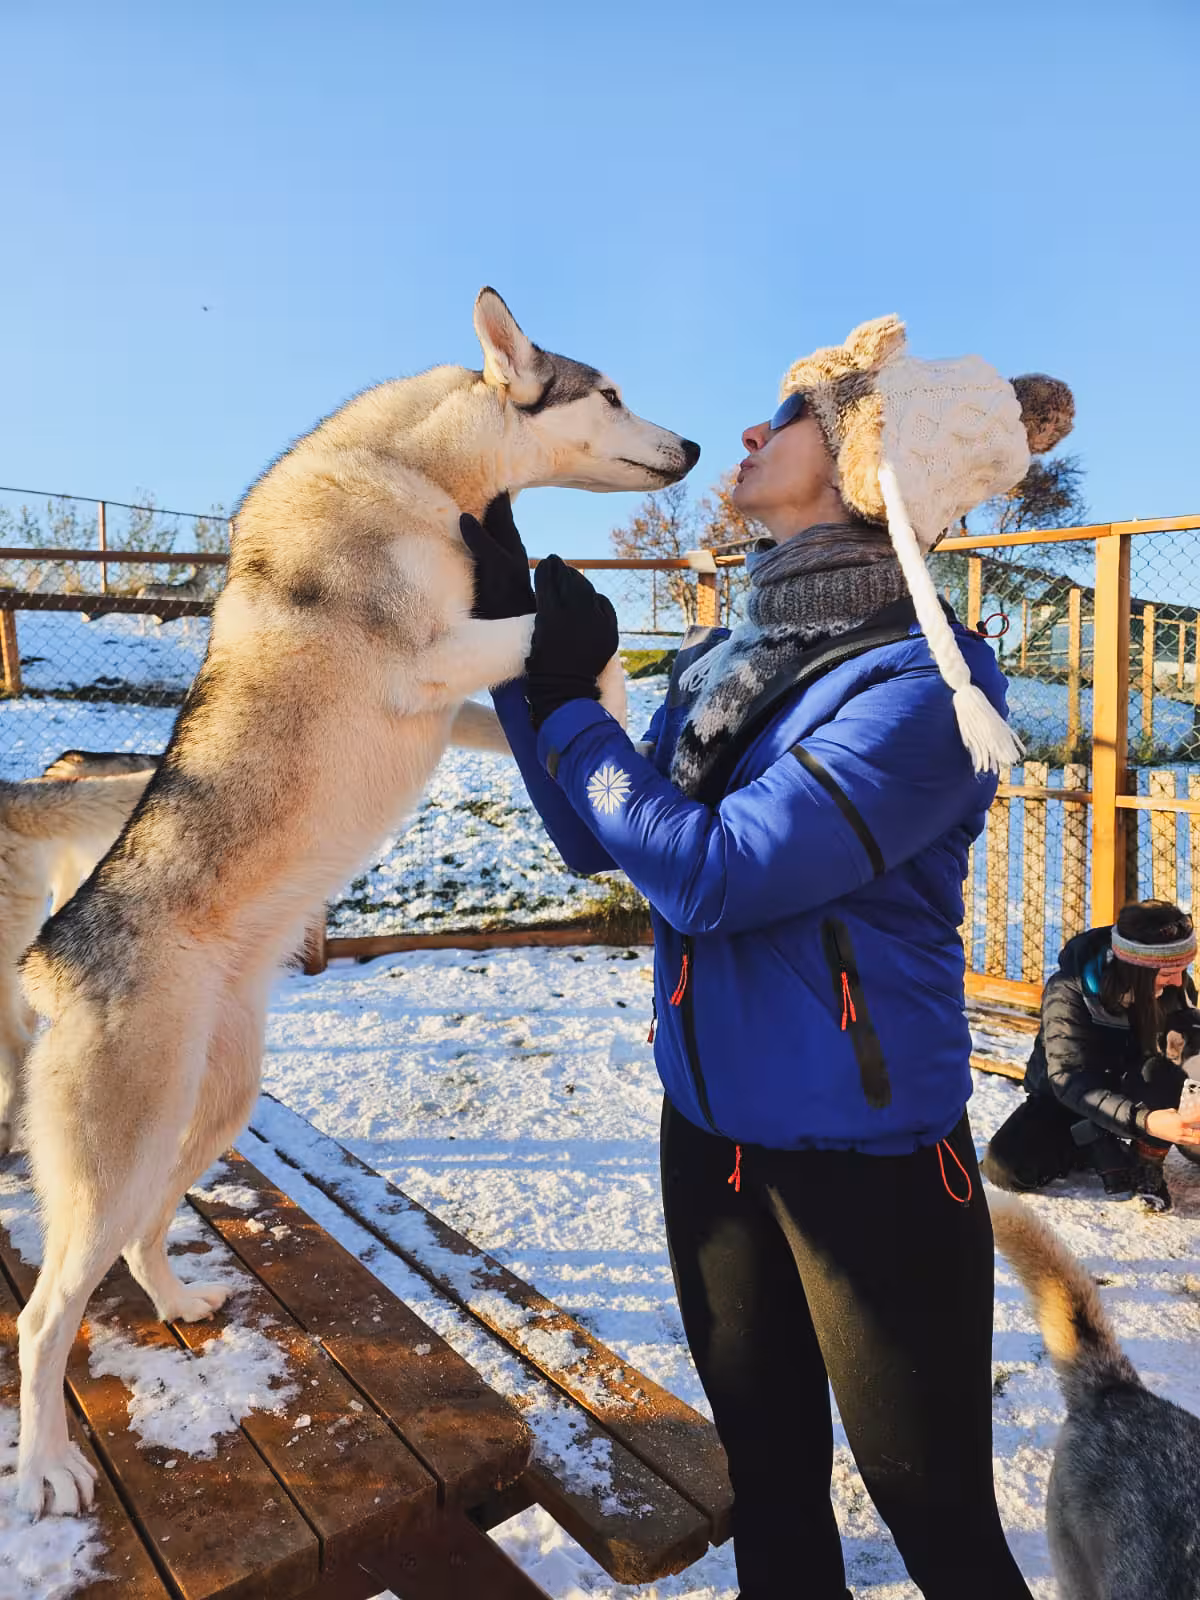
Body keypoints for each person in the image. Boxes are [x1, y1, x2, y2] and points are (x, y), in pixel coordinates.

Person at [462, 314, 1075, 1599]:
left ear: (867, 464)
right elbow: (598, 836)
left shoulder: (925, 688)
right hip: (713, 1147)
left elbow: (720, 872)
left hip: (876, 1172)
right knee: (776, 1506)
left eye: (786, 416)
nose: (747, 431)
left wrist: (580, 707)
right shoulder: (732, 663)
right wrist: (524, 645)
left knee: (943, 1526)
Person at [982, 900, 1200, 1210]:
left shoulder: (1170, 986)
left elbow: (1188, 1041)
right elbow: (1068, 1079)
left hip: (1132, 1086)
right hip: (1069, 1097)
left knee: (1164, 1072)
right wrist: (1147, 1121)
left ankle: (1145, 1162)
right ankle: (1092, 1140)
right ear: (1136, 968)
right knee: (1007, 1167)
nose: (1179, 982)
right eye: (1169, 972)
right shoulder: (1068, 990)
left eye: (1182, 970)